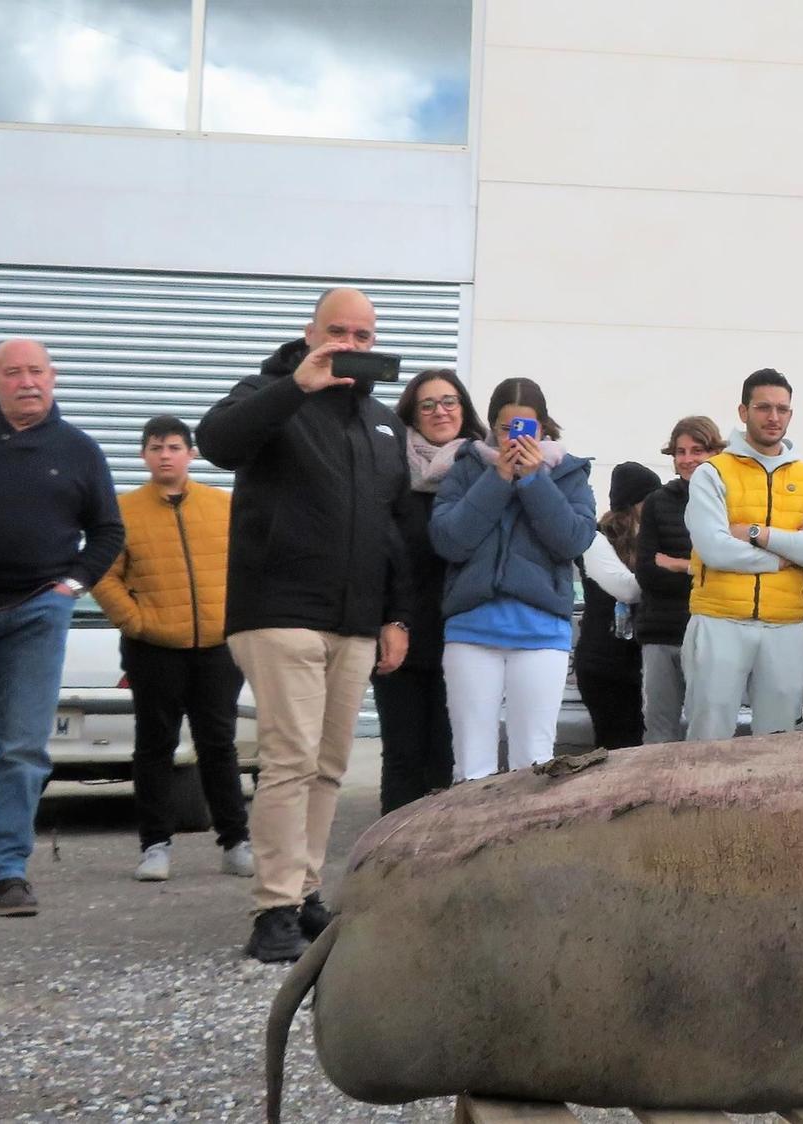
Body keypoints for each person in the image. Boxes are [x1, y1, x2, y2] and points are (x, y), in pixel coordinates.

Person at [197, 288, 412, 963]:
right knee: (289, 761)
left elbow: (390, 525)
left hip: (352, 621)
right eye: (338, 331)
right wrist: (295, 385)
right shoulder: (269, 391)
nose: (351, 344)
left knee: (327, 765)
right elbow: (216, 443)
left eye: (363, 335)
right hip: (280, 610)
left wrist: (395, 613)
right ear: (311, 332)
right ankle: (272, 909)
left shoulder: (380, 420)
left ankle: (306, 891)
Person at [0, 338, 126, 919]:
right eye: (13, 373)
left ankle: (7, 872)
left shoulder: (79, 449)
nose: (26, 381)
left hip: (39, 611)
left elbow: (108, 531)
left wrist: (71, 589)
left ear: (53, 377)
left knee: (22, 749)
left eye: (35, 371)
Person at [92, 416, 251, 883]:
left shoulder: (222, 506)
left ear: (191, 454)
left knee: (219, 744)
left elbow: (248, 564)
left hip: (217, 647)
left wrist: (236, 619)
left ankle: (235, 841)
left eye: (175, 446)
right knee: (155, 746)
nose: (166, 455)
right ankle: (155, 845)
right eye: (156, 447)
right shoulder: (123, 511)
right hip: (153, 648)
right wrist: (134, 620)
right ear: (144, 455)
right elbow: (104, 575)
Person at [431, 377, 596, 779]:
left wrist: (535, 481)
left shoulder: (569, 472)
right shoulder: (468, 468)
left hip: (541, 634)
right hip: (472, 630)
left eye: (526, 429)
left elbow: (573, 540)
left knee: (535, 761)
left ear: (543, 427)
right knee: (471, 763)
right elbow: (449, 540)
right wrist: (497, 480)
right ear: (491, 427)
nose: (515, 439)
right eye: (506, 429)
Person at [681, 369, 803, 740]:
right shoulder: (712, 473)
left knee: (780, 741)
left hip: (785, 624)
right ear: (743, 411)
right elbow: (715, 549)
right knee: (709, 735)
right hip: (720, 619)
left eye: (782, 409)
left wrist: (756, 534)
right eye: (763, 407)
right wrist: (784, 556)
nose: (773, 417)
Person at [376, 369, 482, 814]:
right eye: (428, 404)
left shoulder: (483, 469)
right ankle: (389, 864)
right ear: (411, 415)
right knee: (402, 753)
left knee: (450, 755)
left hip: (465, 632)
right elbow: (378, 553)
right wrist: (386, 620)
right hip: (402, 629)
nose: (441, 411)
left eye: (450, 401)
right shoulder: (390, 472)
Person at [632, 417, 723, 744]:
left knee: (708, 730)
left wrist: (677, 564)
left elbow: (728, 570)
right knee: (659, 731)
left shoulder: (728, 501)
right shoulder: (658, 501)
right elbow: (646, 573)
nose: (687, 459)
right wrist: (699, 569)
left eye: (697, 450)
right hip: (661, 633)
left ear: (715, 453)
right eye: (680, 451)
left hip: (711, 631)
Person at [575, 462, 659, 750]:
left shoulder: (649, 538)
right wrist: (669, 569)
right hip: (604, 666)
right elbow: (627, 588)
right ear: (635, 502)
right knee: (614, 746)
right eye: (650, 498)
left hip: (637, 664)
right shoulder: (595, 539)